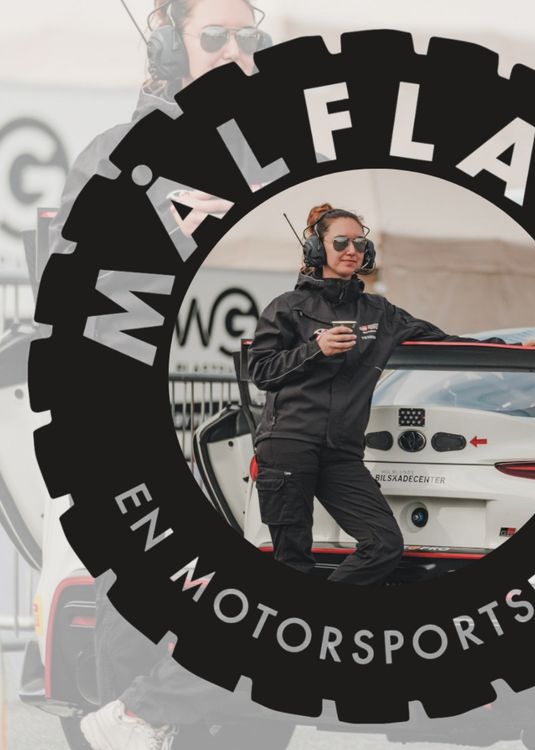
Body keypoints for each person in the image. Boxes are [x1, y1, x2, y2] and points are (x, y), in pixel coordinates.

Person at [54, 2, 293, 750]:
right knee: (145, 606)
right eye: (212, 36)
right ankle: (135, 719)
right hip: (141, 426)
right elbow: (81, 293)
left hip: (259, 423)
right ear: (168, 45)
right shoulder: (115, 155)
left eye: (246, 36)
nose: (231, 49)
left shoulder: (276, 152)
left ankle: (140, 718)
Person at [247, 203, 535, 586]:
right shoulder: (286, 308)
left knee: (384, 544)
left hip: (341, 453)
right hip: (288, 445)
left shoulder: (379, 312)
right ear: (317, 248)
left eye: (359, 242)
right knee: (293, 561)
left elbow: (445, 340)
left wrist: (515, 348)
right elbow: (261, 370)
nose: (352, 250)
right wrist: (316, 349)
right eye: (341, 242)